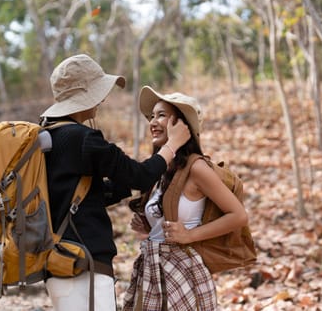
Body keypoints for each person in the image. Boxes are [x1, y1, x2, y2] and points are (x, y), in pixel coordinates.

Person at [39, 54, 191, 311]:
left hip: (54, 260)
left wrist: (123, 183)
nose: (103, 99)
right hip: (84, 261)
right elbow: (141, 176)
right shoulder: (85, 139)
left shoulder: (46, 135)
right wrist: (172, 146)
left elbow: (84, 194)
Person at [123, 86, 249, 311]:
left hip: (183, 273)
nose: (152, 121)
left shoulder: (196, 167)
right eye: (152, 116)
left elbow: (238, 215)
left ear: (182, 125)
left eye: (161, 115)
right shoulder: (161, 170)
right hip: (153, 272)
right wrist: (149, 226)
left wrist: (190, 235)